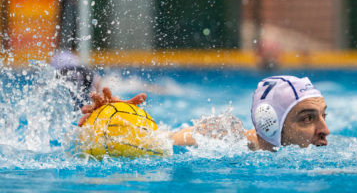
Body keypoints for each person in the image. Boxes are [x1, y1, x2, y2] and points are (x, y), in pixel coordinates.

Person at [78, 75, 329, 151]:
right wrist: (114, 120)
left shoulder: (333, 150)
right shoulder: (224, 137)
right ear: (270, 123)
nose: (325, 130)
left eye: (323, 115)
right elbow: (156, 143)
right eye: (308, 118)